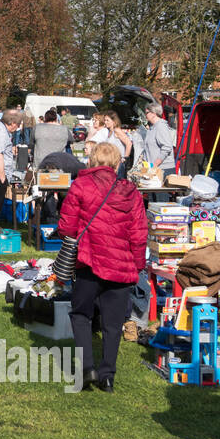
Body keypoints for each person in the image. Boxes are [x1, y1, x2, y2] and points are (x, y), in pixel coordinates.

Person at [56, 142, 147, 393]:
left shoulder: (80, 186)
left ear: (91, 162)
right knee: (112, 323)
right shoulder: (130, 191)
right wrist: (138, 265)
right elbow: (139, 233)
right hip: (119, 266)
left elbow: (66, 226)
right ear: (117, 164)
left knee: (80, 315)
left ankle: (87, 368)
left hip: (89, 261)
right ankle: (107, 376)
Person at [143, 104, 177, 174]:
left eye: (147, 113)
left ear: (154, 114)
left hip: (163, 169)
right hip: (153, 167)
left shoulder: (161, 126)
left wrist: (155, 165)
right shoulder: (152, 127)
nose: (145, 115)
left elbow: (167, 147)